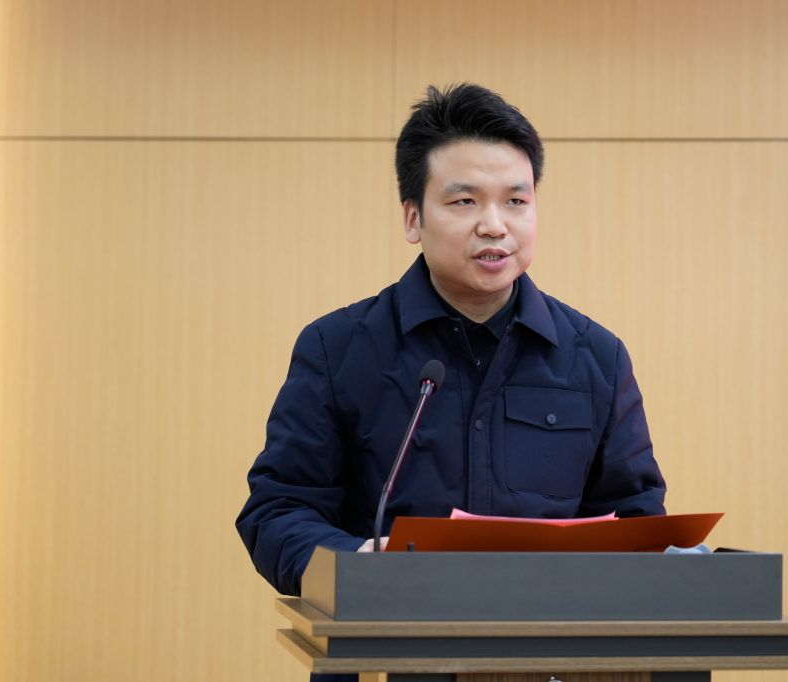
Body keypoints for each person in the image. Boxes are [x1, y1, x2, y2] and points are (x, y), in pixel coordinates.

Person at [236, 83, 666, 681]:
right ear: (413, 218)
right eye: (464, 201)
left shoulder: (595, 357)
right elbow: (278, 510)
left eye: (516, 201)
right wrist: (355, 561)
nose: (495, 225)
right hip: (385, 659)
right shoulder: (338, 348)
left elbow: (637, 521)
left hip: (550, 665)